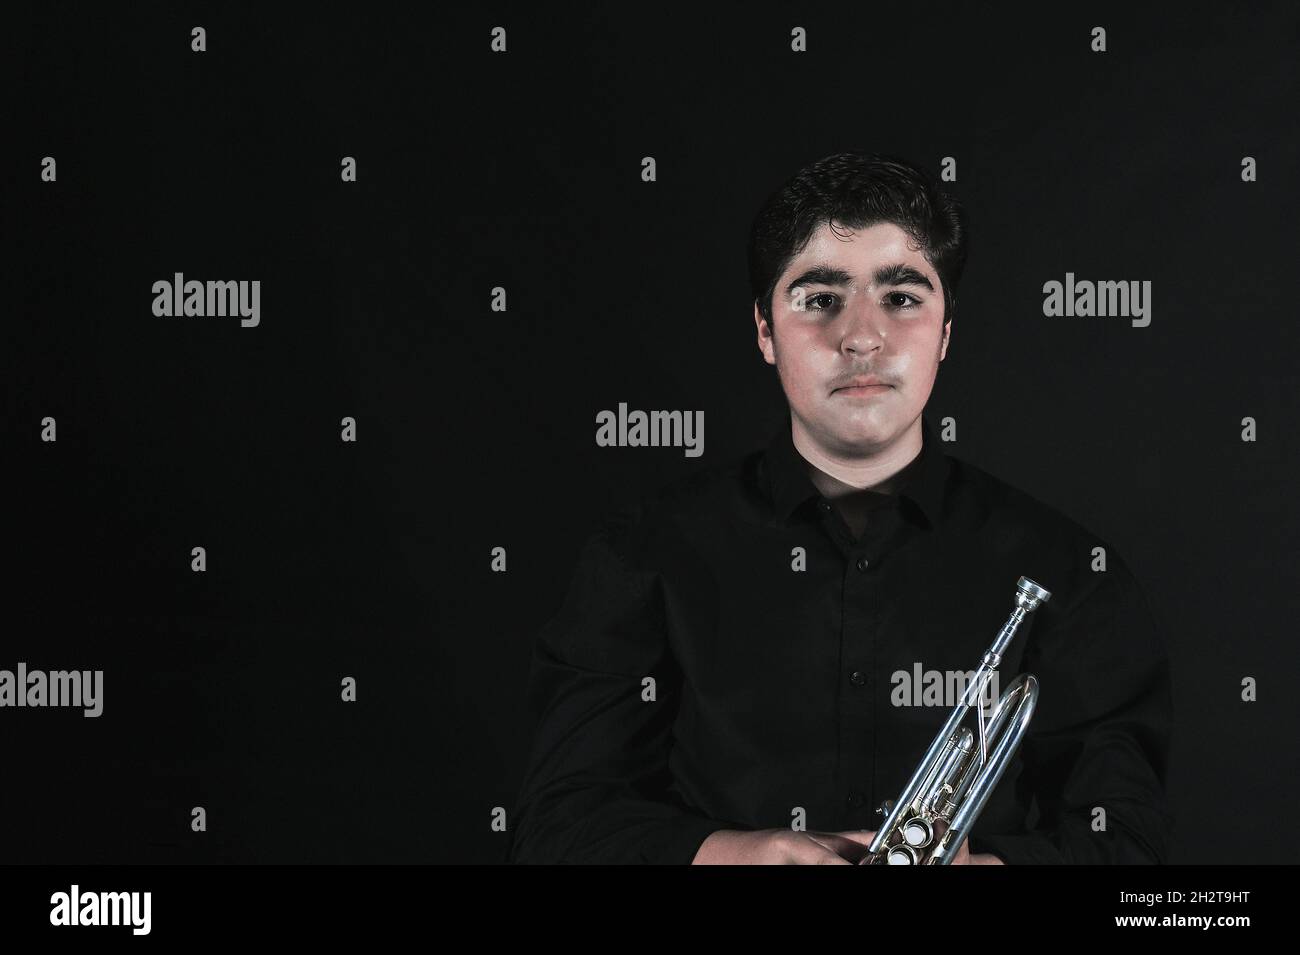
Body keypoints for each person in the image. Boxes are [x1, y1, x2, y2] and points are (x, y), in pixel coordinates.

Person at [505, 152, 1174, 865]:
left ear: (946, 331)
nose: (860, 336)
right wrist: (733, 856)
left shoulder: (1070, 572)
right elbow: (557, 830)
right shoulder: (643, 553)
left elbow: (1130, 849)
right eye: (820, 297)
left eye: (902, 297)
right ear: (765, 330)